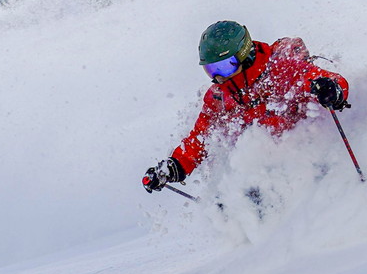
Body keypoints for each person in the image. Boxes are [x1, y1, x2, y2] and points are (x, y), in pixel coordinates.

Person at [142, 20, 350, 193]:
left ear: (242, 54)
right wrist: (174, 167)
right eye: (211, 70)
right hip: (266, 173)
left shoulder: (280, 68)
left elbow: (329, 79)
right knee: (241, 191)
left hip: (312, 158)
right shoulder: (218, 98)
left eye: (223, 67)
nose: (218, 76)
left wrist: (331, 89)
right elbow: (200, 138)